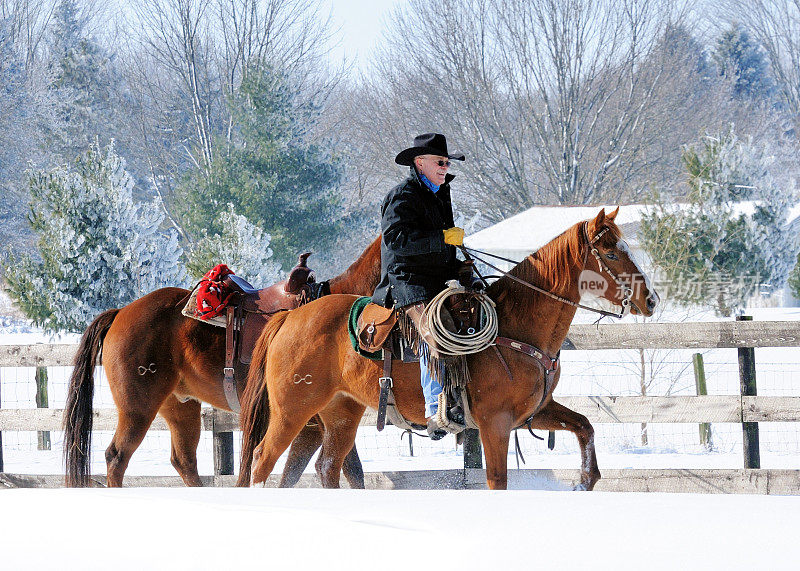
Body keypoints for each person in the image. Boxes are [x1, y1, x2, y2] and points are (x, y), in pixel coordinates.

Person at [371, 133, 467, 438]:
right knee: (433, 329)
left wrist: (461, 268)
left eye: (447, 162)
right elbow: (395, 242)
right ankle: (434, 409)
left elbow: (443, 248)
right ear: (419, 162)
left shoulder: (440, 194)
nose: (445, 166)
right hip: (406, 281)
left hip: (437, 280)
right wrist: (442, 238)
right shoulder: (402, 196)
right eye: (440, 161)